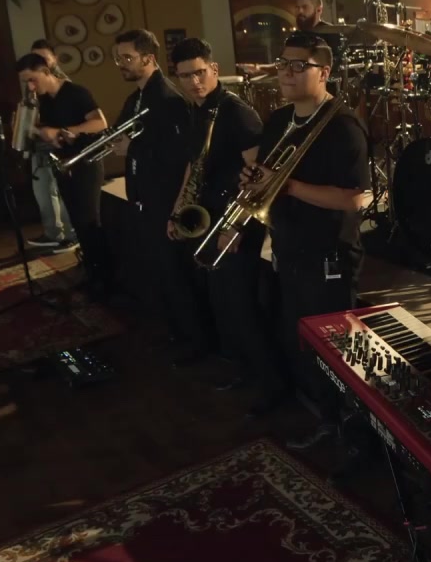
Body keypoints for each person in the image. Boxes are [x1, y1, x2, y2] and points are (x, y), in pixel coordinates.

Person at [239, 33, 371, 443]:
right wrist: (254, 181)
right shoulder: (279, 120)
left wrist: (288, 185)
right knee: (300, 343)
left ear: (324, 72)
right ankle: (326, 419)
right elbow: (267, 176)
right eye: (283, 64)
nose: (287, 73)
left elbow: (355, 199)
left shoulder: (342, 126)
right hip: (288, 249)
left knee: (335, 352)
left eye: (299, 66)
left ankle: (351, 432)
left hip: (328, 257)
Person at [169, 37, 279, 400]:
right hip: (211, 217)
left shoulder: (236, 112)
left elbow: (259, 177)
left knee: (242, 307)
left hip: (236, 221)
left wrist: (235, 226)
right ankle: (246, 372)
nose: (193, 81)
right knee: (225, 305)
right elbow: (194, 165)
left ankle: (271, 386)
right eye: (185, 76)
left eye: (199, 72)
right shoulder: (196, 110)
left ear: (214, 69)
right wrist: (177, 209)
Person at [112, 29, 213, 364]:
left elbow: (179, 156)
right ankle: (177, 334)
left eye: (127, 57)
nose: (121, 63)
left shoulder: (168, 98)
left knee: (176, 276)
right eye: (118, 58)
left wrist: (134, 148)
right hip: (144, 199)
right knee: (161, 274)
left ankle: (195, 343)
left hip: (164, 200)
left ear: (149, 58)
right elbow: (120, 135)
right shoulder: (136, 98)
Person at [15, 53, 110, 296]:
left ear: (46, 71)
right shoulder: (45, 101)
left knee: (89, 221)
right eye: (26, 82)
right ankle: (91, 271)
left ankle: (103, 277)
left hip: (86, 163)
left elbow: (100, 123)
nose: (30, 86)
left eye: (33, 79)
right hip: (64, 165)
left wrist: (65, 130)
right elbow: (55, 136)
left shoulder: (76, 92)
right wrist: (40, 132)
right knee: (77, 221)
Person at [24, 40, 76, 252]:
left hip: (58, 148)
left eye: (44, 57)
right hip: (39, 147)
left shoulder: (63, 85)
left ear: (54, 59)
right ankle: (53, 233)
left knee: (61, 192)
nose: (40, 62)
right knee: (44, 193)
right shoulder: (33, 83)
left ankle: (72, 235)